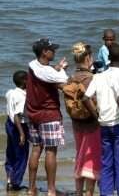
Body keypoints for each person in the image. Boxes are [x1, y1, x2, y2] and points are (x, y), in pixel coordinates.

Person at [82, 44, 119, 196]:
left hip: (103, 124)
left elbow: (85, 98)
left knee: (106, 162)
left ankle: (106, 193)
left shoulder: (98, 76)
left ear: (108, 58)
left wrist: (96, 116)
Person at [26, 38, 69, 196]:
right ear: (44, 52)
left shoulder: (33, 66)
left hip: (33, 113)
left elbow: (47, 74)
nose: (54, 51)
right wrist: (62, 69)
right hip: (49, 114)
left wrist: (56, 68)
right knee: (51, 152)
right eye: (51, 49)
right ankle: (51, 190)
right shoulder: (48, 72)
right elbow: (63, 82)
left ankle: (31, 188)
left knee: (36, 150)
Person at [67, 43, 99, 196]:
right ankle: (89, 193)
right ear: (88, 58)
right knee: (91, 157)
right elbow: (93, 100)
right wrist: (98, 117)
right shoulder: (91, 78)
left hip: (76, 122)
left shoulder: (71, 77)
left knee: (79, 154)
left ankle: (79, 192)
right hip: (91, 123)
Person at [5, 70, 28, 192]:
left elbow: (11, 114)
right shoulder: (22, 96)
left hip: (9, 124)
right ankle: (16, 183)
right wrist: (22, 133)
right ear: (24, 81)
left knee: (11, 153)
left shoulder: (10, 92)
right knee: (22, 156)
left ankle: (9, 178)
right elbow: (17, 116)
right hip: (19, 126)